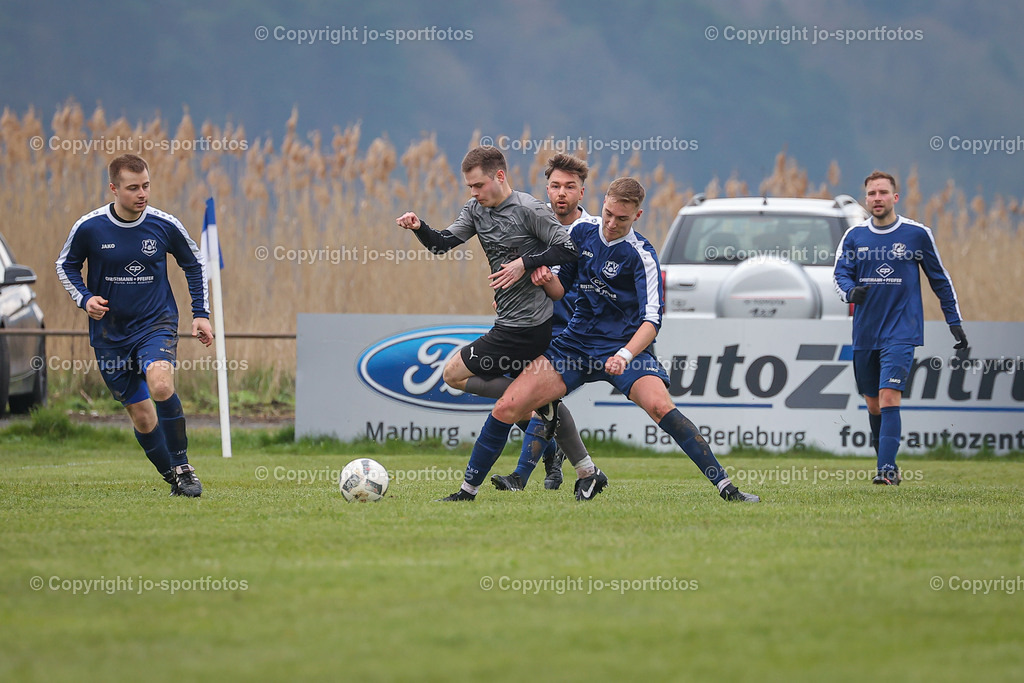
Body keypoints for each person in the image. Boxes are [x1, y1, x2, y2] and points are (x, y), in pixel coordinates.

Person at [439, 177, 760, 503]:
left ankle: (728, 490)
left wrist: (624, 354)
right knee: (508, 406)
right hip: (574, 345)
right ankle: (466, 494)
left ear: (637, 215)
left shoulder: (642, 256)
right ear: (602, 203)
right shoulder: (581, 233)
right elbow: (560, 290)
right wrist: (545, 279)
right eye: (607, 213)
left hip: (623, 349)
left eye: (621, 219)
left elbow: (652, 322)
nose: (611, 223)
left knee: (661, 407)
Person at [395, 145, 578, 493]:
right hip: (508, 323)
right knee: (527, 400)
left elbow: (569, 250)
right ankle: (560, 451)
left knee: (454, 374)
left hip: (528, 328)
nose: (475, 193)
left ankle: (481, 482)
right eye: (470, 188)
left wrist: (525, 263)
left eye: (478, 185)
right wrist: (420, 227)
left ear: (500, 176)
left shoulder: (529, 209)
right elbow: (441, 244)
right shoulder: (476, 211)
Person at [56, 154, 212, 497]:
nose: (142, 194)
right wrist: (84, 298)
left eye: (146, 186)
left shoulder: (164, 224)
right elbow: (65, 265)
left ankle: (185, 467)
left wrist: (200, 313)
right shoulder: (90, 227)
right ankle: (172, 476)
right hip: (110, 333)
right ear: (113, 188)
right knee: (142, 417)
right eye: (132, 188)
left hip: (156, 322)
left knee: (160, 385)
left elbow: (194, 263)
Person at [834, 170, 967, 485]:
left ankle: (887, 471)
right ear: (866, 199)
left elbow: (940, 279)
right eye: (871, 194)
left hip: (902, 332)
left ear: (895, 197)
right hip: (865, 332)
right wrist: (851, 292)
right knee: (874, 404)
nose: (877, 199)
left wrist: (954, 320)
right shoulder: (854, 237)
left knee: (889, 396)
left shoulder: (916, 234)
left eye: (883, 193)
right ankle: (885, 465)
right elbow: (840, 276)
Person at [490, 152, 597, 491]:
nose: (561, 193)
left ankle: (521, 477)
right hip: (533, 330)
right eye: (554, 186)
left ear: (582, 192)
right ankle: (558, 457)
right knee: (506, 392)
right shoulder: (537, 224)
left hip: (573, 335)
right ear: (546, 190)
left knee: (536, 400)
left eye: (569, 186)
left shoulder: (593, 233)